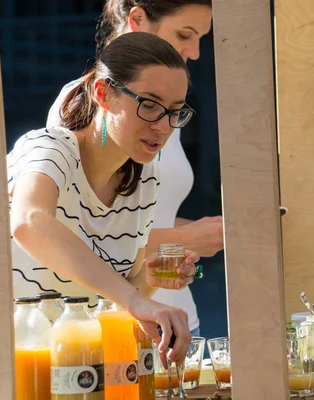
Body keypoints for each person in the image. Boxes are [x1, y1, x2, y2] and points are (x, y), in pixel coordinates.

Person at [0, 32, 199, 400]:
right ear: (103, 93)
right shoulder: (50, 147)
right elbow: (29, 221)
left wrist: (148, 279)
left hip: (30, 384)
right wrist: (137, 300)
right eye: (149, 104)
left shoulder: (145, 180)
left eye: (176, 111)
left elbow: (110, 303)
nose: (163, 125)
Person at [47, 0, 223, 337]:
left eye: (174, 111)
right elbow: (73, 232)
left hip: (175, 311)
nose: (196, 51)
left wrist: (211, 231)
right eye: (185, 33)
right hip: (116, 323)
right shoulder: (83, 107)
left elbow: (135, 220)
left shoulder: (166, 118)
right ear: (138, 19)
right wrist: (184, 239)